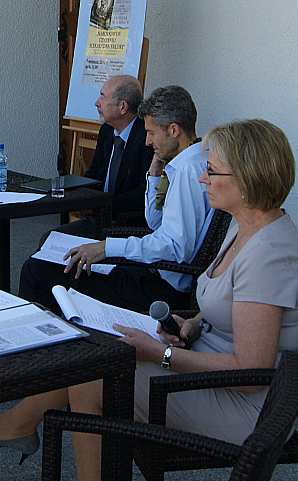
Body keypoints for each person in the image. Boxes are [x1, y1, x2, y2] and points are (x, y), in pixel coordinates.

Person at [0, 118, 298, 481]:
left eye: (213, 170)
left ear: (248, 179)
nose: (203, 177)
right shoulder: (249, 226)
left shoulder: (268, 253)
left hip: (250, 408)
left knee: (91, 376)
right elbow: (226, 302)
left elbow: (251, 372)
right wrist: (190, 324)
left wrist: (163, 354)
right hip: (214, 368)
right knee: (94, 356)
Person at [19, 85, 210, 315]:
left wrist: (106, 248)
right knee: (55, 262)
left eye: (151, 133)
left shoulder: (188, 172)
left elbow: (175, 248)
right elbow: (155, 222)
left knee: (37, 270)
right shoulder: (189, 162)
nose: (148, 142)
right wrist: (153, 175)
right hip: (152, 271)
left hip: (160, 287)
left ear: (173, 130)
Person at [60, 74, 153, 234]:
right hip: (101, 218)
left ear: (123, 107)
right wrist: (82, 200)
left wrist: (98, 205)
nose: (97, 103)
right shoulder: (107, 130)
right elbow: (94, 174)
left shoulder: (146, 138)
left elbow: (142, 196)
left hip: (128, 226)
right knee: (51, 239)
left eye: (103, 97)